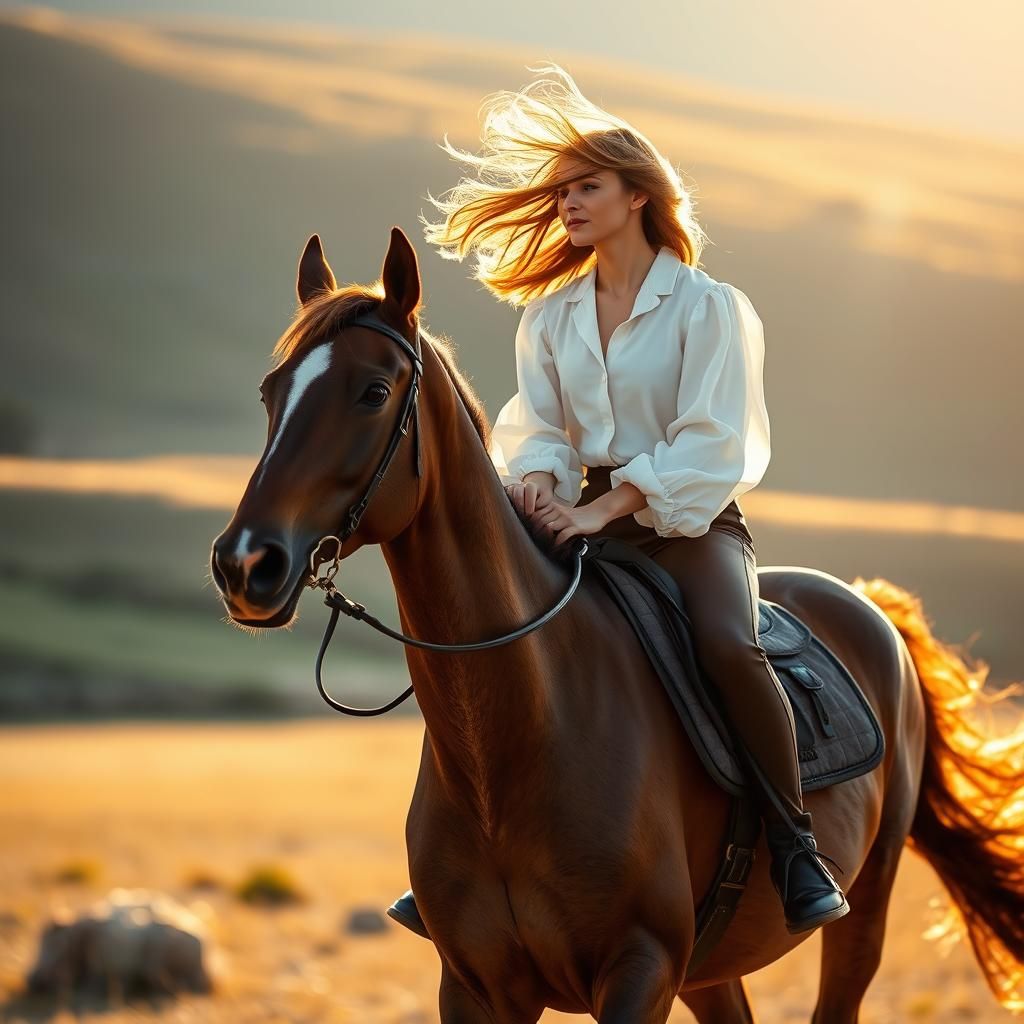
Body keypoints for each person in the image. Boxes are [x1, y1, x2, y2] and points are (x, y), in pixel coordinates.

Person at [388, 63, 848, 940]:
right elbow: (541, 428)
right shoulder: (551, 317)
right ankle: (459, 860)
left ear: (638, 196)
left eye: (586, 187)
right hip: (584, 520)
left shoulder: (708, 307)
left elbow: (715, 441)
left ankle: (796, 849)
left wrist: (607, 511)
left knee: (726, 643)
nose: (566, 203)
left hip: (688, 523)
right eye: (560, 190)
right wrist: (539, 486)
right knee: (492, 642)